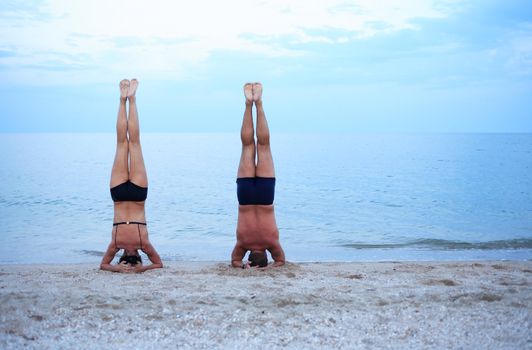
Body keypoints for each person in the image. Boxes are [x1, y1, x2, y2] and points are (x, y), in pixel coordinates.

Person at [100, 79, 163, 273]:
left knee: (129, 143)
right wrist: (134, 270)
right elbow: (159, 264)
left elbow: (103, 265)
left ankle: (128, 99)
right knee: (126, 143)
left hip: (131, 195)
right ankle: (127, 99)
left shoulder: (130, 243)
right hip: (126, 195)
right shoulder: (120, 244)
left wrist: (127, 270)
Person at [231, 82, 285, 269]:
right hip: (246, 198)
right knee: (248, 146)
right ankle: (249, 103)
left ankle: (256, 102)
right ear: (251, 259)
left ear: (265, 257)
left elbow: (280, 261)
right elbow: (235, 261)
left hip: (263, 195)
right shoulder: (242, 244)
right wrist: (243, 267)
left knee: (262, 145)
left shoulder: (272, 243)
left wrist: (270, 266)